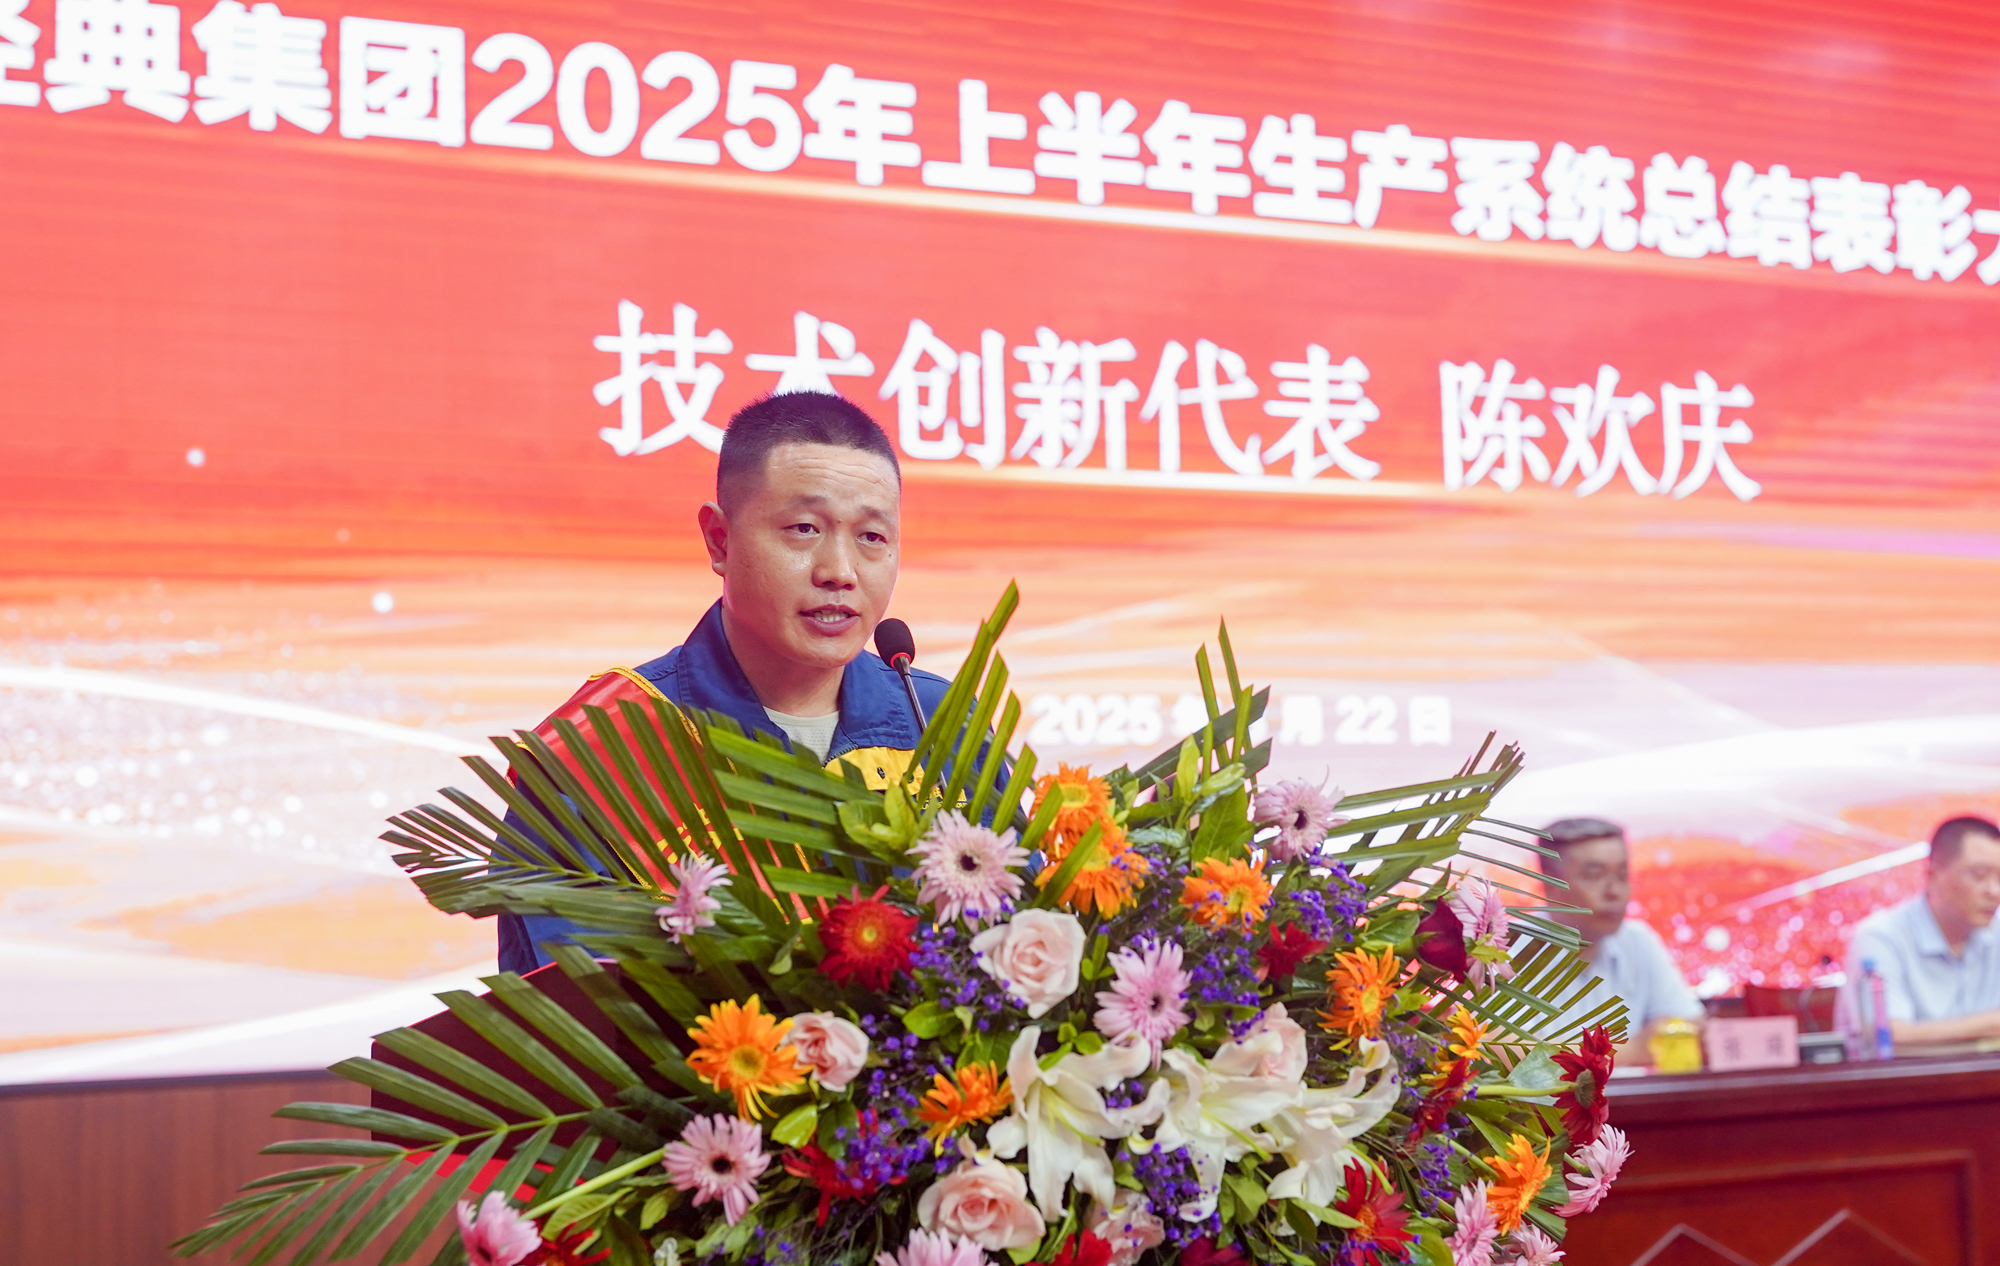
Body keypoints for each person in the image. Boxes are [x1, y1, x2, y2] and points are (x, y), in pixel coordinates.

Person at [496, 391, 949, 975]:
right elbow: (577, 1010)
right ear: (719, 540)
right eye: (804, 528)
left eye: (872, 537)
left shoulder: (938, 719)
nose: (840, 571)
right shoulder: (603, 751)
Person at [1540, 817, 1705, 1061]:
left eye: (1622, 875)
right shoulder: (1507, 950)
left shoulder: (1637, 940)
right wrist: (1634, 1050)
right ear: (1550, 885)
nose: (1614, 892)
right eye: (1594, 876)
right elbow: (1508, 1053)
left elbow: (1690, 1024)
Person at [1843, 816, 2000, 1048]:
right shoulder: (1881, 937)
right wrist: (1990, 1025)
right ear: (1932, 875)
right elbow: (1888, 1038)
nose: (1994, 891)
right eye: (1979, 875)